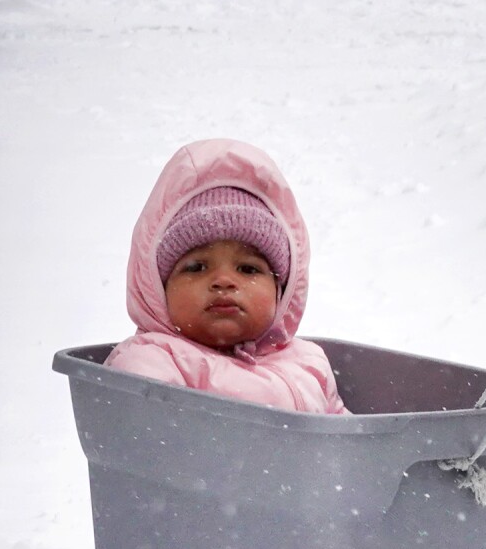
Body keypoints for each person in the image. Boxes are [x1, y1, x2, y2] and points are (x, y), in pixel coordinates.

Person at [106, 138, 347, 416]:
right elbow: (150, 439)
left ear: (281, 291)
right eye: (196, 267)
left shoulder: (309, 362)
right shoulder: (153, 360)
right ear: (159, 288)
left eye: (248, 269)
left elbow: (348, 440)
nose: (223, 281)